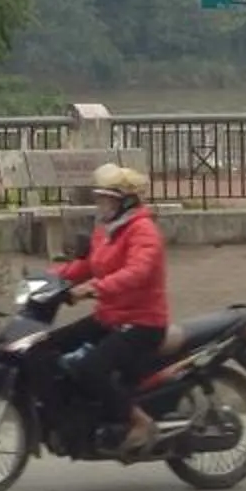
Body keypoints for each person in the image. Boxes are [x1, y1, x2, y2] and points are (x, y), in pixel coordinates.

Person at [56, 163, 171, 455]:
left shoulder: (143, 231)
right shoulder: (107, 230)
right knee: (51, 346)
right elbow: (88, 265)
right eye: (100, 198)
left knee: (90, 367)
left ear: (125, 202)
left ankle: (140, 422)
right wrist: (52, 278)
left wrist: (95, 288)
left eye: (106, 199)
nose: (101, 204)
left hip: (143, 322)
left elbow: (137, 272)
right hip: (110, 317)